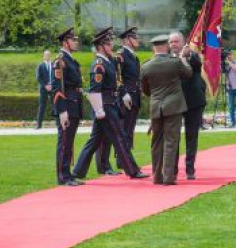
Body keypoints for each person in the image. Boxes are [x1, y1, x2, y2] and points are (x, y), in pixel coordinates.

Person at [72, 28, 149, 182]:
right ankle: (132, 170)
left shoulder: (108, 62)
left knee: (94, 140)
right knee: (119, 137)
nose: (111, 46)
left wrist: (123, 93)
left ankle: (78, 171)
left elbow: (116, 81)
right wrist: (99, 110)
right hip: (105, 107)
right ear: (101, 47)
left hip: (109, 104)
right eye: (108, 44)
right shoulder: (99, 64)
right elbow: (94, 90)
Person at [141, 34, 193, 185]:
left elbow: (145, 89)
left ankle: (157, 176)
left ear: (154, 48)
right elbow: (188, 73)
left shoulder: (146, 66)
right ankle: (169, 177)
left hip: (156, 106)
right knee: (171, 141)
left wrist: (156, 97)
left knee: (156, 142)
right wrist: (184, 59)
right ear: (166, 46)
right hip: (173, 107)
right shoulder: (175, 62)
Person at [96, 27, 143, 174]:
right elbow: (118, 77)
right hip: (125, 98)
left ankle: (123, 161)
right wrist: (124, 94)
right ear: (127, 40)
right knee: (117, 132)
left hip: (134, 97)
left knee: (128, 131)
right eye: (134, 38)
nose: (137, 40)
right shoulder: (121, 56)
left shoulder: (133, 56)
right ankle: (117, 162)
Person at [171, 32, 206, 180]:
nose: (173, 44)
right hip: (175, 103)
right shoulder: (167, 58)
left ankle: (190, 169)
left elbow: (197, 64)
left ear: (183, 42)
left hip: (193, 102)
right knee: (173, 137)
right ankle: (172, 170)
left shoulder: (192, 56)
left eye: (176, 41)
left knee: (191, 136)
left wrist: (188, 54)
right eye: (171, 42)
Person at [51, 29, 84, 186]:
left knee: (69, 142)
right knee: (64, 142)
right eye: (72, 40)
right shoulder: (60, 61)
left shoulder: (71, 60)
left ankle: (68, 174)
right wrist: (62, 110)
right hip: (67, 107)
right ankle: (63, 176)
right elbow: (57, 88)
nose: (75, 42)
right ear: (65, 43)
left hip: (74, 104)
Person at [35, 50, 53, 129]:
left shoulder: (54, 65)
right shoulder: (40, 65)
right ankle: (39, 125)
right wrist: (46, 86)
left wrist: (52, 85)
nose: (47, 56)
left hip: (53, 88)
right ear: (43, 56)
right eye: (46, 55)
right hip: (43, 89)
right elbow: (38, 77)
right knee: (42, 107)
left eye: (49, 55)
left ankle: (59, 124)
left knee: (56, 106)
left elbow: (57, 76)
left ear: (50, 56)